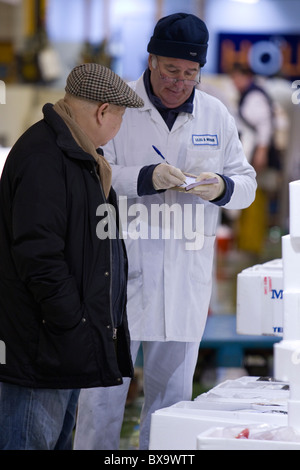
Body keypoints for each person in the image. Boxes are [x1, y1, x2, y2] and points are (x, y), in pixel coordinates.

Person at [74, 13, 257, 450]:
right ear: (152, 60)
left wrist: (222, 187)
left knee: (171, 408)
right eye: (171, 70)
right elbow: (90, 173)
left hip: (184, 281)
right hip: (117, 281)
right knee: (100, 405)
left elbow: (246, 184)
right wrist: (145, 178)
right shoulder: (118, 105)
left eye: (190, 73)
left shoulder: (216, 114)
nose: (179, 82)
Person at [0, 63, 144, 450]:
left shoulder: (80, 156)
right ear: (102, 112)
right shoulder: (45, 157)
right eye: (120, 117)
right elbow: (39, 255)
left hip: (63, 345)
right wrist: (73, 321)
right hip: (41, 351)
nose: (119, 128)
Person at [230, 63, 281, 257]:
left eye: (237, 78)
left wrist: (261, 152)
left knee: (255, 199)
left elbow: (265, 126)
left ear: (246, 76)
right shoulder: (249, 94)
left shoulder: (255, 95)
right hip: (252, 154)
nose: (235, 83)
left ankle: (251, 246)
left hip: (259, 158)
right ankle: (246, 243)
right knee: (248, 199)